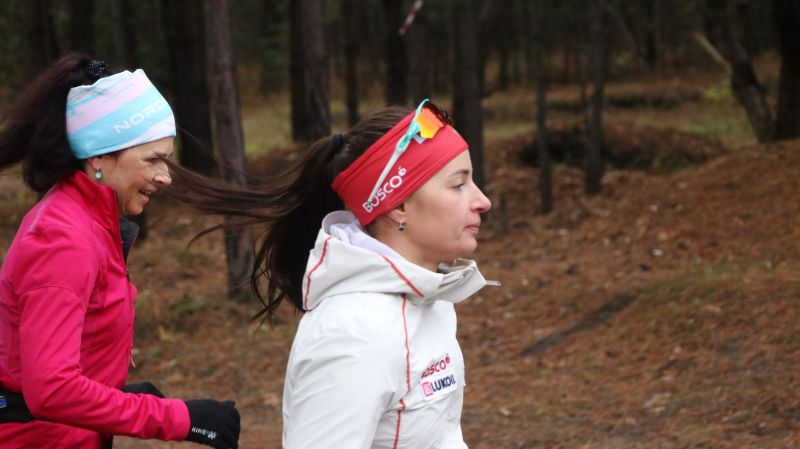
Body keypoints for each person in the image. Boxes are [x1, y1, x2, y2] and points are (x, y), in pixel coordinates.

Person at [169, 98, 495, 448]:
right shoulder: (354, 332)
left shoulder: (430, 296)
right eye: (458, 185)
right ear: (398, 205)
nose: (483, 201)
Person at [0, 54, 240, 449]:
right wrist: (178, 418)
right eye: (153, 160)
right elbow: (51, 389)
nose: (165, 177)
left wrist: (116, 390)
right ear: (98, 156)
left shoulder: (88, 223)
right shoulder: (62, 240)